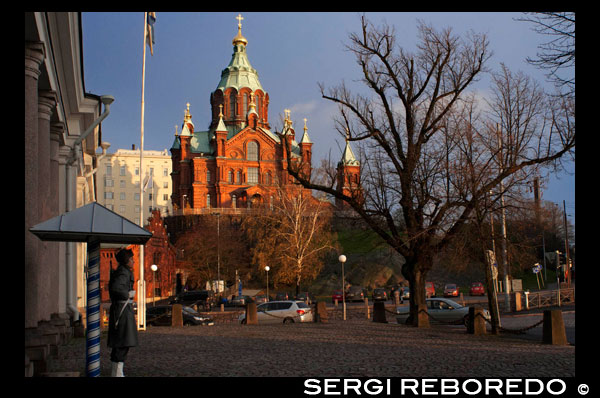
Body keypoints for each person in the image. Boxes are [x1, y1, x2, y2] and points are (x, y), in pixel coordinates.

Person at [107, 248, 138, 377]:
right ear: (126, 261)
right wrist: (128, 294)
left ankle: (117, 371)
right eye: (131, 259)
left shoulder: (123, 272)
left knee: (122, 340)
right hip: (122, 310)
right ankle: (117, 373)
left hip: (122, 309)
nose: (133, 261)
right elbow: (116, 289)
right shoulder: (123, 273)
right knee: (122, 341)